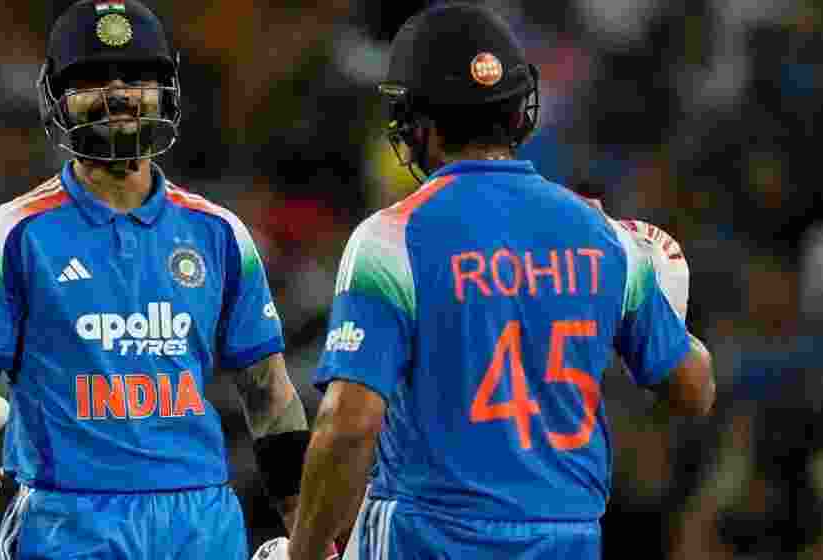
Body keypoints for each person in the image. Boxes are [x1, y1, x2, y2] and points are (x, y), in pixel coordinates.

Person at [283, 4, 716, 559]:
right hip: (566, 539)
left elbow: (350, 425)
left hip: (430, 535)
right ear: (519, 112)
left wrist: (303, 552)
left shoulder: (391, 238)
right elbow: (693, 392)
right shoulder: (608, 239)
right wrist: (668, 299)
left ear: (418, 123)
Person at [0, 1, 313, 559]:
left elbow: (270, 394)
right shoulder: (11, 234)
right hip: (66, 523)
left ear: (167, 89)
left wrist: (309, 531)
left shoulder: (219, 233)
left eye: (138, 77)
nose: (120, 93)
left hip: (201, 524)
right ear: (55, 95)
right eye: (91, 78)